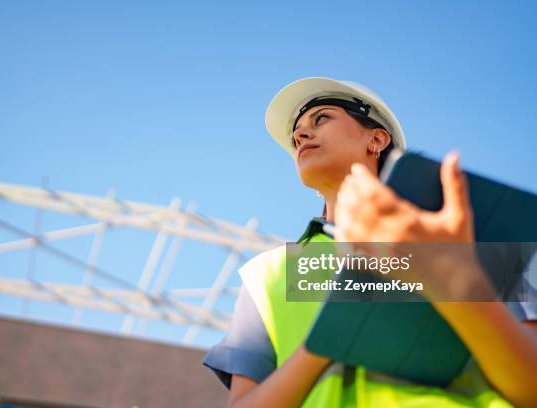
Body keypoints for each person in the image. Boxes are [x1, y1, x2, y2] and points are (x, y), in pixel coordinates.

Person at [203, 77, 537, 407]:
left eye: (322, 118)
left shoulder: (465, 239)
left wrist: (457, 281)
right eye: (297, 134)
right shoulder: (268, 273)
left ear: (376, 138)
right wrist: (322, 343)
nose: (301, 134)